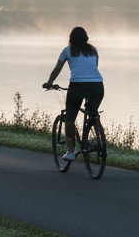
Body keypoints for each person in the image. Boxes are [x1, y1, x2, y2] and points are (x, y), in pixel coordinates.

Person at [43, 27, 105, 162]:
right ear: (86, 38)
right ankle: (98, 134)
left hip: (77, 85)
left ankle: (71, 152)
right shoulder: (93, 50)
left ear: (71, 38)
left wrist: (49, 82)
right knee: (92, 113)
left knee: (70, 119)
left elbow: (57, 69)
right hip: (97, 85)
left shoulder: (67, 50)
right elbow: (94, 67)